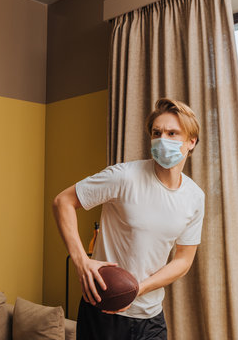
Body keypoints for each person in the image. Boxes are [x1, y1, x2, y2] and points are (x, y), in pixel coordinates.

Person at [53, 98, 205, 340]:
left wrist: (139, 290)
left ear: (191, 142)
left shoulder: (195, 197)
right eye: (157, 133)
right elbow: (63, 202)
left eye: (172, 133)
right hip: (103, 314)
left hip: (152, 318)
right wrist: (81, 262)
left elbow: (183, 260)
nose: (162, 139)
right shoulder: (124, 177)